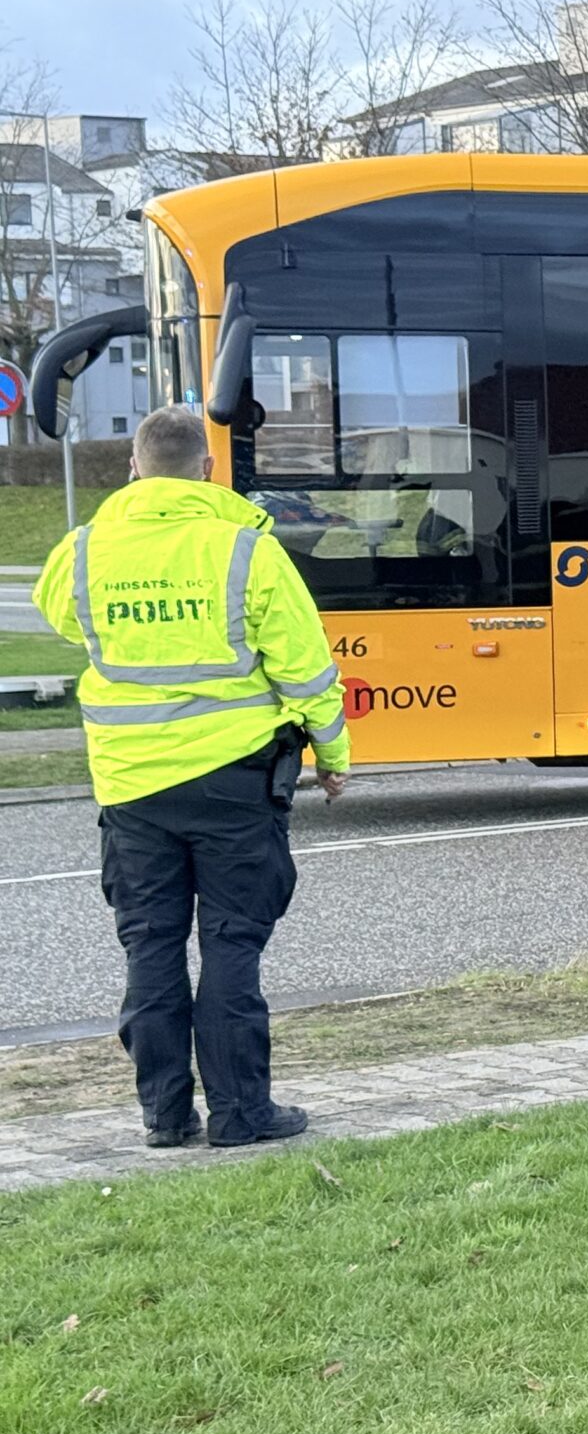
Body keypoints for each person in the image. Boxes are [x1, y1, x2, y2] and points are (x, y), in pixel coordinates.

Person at [34, 404, 350, 1149]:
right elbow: (306, 669)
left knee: (150, 947)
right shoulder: (247, 550)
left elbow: (66, 621)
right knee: (232, 944)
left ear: (133, 468)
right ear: (207, 470)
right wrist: (333, 757)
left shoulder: (83, 551)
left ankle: (166, 1116)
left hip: (132, 787)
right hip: (235, 781)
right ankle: (241, 1113)